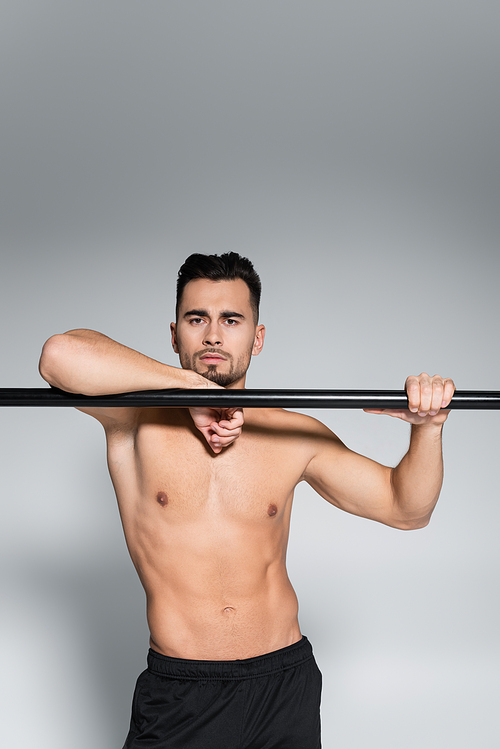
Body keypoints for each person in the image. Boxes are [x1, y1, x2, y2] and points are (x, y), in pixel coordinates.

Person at [39, 252, 455, 749]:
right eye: (198, 319)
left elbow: (407, 509)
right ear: (175, 335)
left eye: (231, 320)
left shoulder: (292, 433)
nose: (213, 335)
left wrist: (428, 429)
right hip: (180, 692)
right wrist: (189, 389)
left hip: (283, 687)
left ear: (256, 338)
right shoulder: (133, 421)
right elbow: (59, 355)